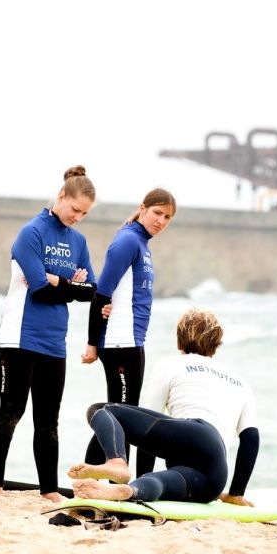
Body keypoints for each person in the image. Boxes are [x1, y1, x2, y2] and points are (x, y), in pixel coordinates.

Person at [69, 309, 260, 506]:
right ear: (216, 346)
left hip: (194, 434)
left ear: (179, 342)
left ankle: (116, 462)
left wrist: (140, 466)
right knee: (158, 482)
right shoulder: (241, 383)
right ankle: (132, 490)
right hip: (214, 477)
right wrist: (236, 493)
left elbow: (150, 429)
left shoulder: (171, 364)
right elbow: (250, 438)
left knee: (103, 411)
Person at [0, 165, 97, 502]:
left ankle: (48, 490)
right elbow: (39, 289)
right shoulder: (31, 233)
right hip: (19, 336)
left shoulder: (78, 241)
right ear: (61, 196)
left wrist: (57, 281)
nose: (78, 217)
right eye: (75, 209)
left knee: (49, 421)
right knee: (11, 412)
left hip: (54, 341)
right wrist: (67, 284)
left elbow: (90, 290)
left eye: (84, 213)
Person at [81, 188, 176, 477]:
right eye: (157, 213)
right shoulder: (127, 241)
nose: (161, 221)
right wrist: (93, 344)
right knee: (121, 419)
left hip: (133, 341)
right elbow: (101, 294)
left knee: (121, 418)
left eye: (168, 217)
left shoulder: (142, 244)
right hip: (119, 341)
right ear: (142, 208)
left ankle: (96, 481)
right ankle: (102, 483)